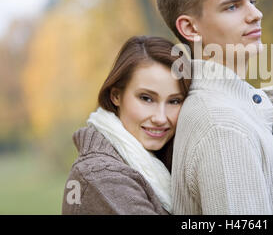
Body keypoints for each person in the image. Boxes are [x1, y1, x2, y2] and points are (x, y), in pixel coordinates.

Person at [156, 0, 273, 214]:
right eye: (232, 6)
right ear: (190, 28)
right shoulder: (222, 126)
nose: (256, 15)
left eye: (252, 1)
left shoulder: (229, 109)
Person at [62, 36, 190, 215]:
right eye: (146, 98)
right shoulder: (102, 178)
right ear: (116, 96)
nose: (161, 118)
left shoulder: (161, 160)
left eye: (174, 101)